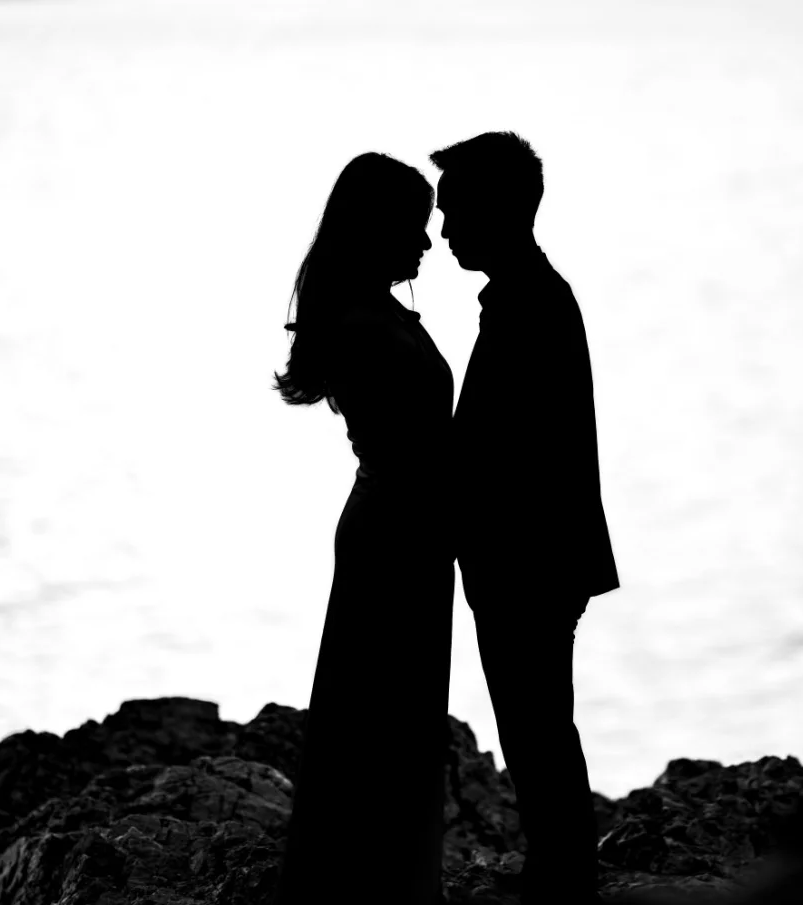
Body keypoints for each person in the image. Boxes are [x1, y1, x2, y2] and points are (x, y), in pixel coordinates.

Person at [429, 131, 619, 905]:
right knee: (537, 723)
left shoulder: (530, 305)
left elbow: (508, 450)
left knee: (537, 725)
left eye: (455, 213)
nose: (443, 233)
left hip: (527, 559)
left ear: (497, 210)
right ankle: (560, 865)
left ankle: (563, 874)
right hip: (531, 555)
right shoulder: (530, 297)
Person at [271, 152, 454, 905]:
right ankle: (373, 881)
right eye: (413, 225)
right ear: (377, 228)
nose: (428, 242)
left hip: (406, 525)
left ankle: (382, 875)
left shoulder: (370, 314)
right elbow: (417, 448)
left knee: (393, 713)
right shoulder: (363, 325)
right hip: (397, 532)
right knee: (383, 716)